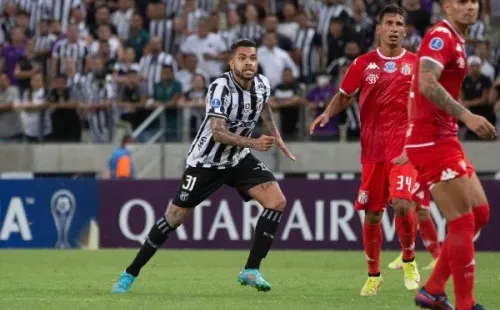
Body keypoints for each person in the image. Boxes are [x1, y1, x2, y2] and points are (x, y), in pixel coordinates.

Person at [111, 39, 296, 294]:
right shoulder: (219, 88)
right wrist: (254, 142)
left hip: (237, 158)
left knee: (277, 201)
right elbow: (218, 133)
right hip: (206, 162)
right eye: (242, 58)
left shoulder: (262, 84)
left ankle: (251, 270)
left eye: (252, 57)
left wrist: (277, 137)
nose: (248, 62)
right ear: (232, 62)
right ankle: (130, 273)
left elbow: (263, 107)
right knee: (175, 218)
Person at [310, 4, 421, 296]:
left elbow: (428, 105)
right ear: (379, 29)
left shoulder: (417, 63)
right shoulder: (362, 63)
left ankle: (409, 260)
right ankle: (374, 275)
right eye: (390, 23)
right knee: (372, 216)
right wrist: (327, 114)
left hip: (404, 150)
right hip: (373, 152)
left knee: (400, 203)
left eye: (400, 24)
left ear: (405, 30)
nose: (395, 28)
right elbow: (344, 96)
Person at [405, 0, 496, 309]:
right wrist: (466, 115)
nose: (469, 6)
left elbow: (418, 89)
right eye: (461, 1)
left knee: (480, 214)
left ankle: (432, 289)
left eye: (473, 1)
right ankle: (465, 304)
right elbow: (426, 83)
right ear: (446, 6)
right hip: (432, 141)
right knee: (462, 222)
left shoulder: (457, 38)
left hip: (443, 138)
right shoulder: (440, 36)